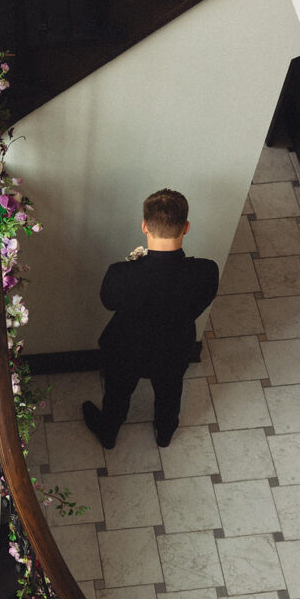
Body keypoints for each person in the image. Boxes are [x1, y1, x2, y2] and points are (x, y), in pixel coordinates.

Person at [83, 188, 218, 449]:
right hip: (174, 349)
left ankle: (109, 432)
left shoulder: (121, 273)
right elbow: (202, 300)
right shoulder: (206, 271)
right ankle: (165, 432)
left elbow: (108, 302)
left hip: (125, 350)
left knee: (117, 393)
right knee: (170, 391)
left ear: (144, 226)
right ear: (186, 227)